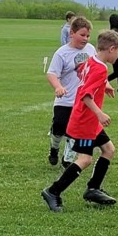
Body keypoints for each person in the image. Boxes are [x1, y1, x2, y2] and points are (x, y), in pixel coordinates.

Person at [41, 29, 118, 212]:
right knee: (85, 159)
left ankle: (93, 189)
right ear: (111, 49)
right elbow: (86, 96)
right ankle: (53, 191)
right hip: (85, 120)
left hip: (89, 120)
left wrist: (105, 84)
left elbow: (83, 75)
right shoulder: (101, 68)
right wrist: (100, 114)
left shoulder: (91, 60)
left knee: (109, 150)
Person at [45, 16, 96, 168]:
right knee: (59, 127)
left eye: (88, 36)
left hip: (82, 100)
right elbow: (52, 73)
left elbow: (95, 70)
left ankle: (67, 159)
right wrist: (58, 87)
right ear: (71, 33)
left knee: (75, 130)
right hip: (65, 99)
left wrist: (105, 84)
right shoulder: (62, 53)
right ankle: (54, 149)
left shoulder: (91, 50)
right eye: (82, 35)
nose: (85, 39)